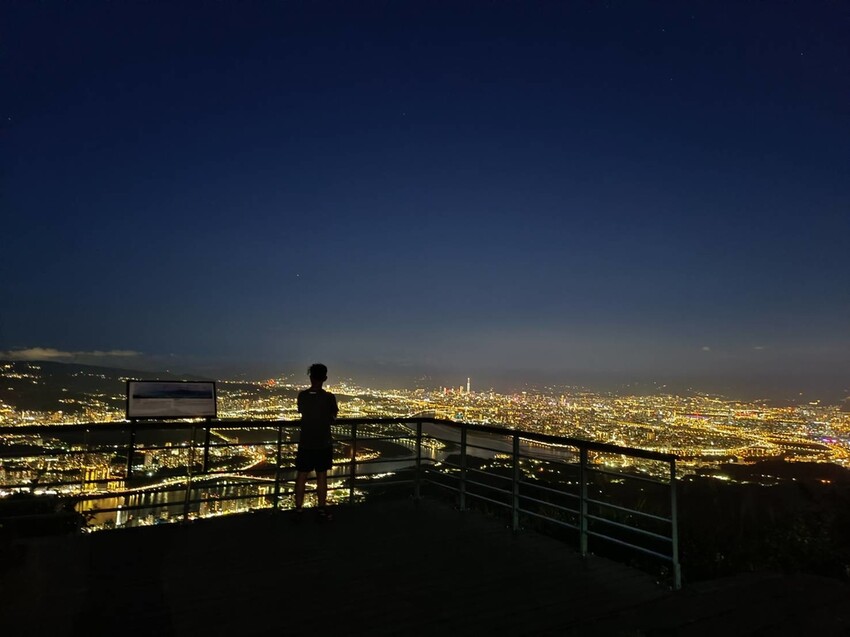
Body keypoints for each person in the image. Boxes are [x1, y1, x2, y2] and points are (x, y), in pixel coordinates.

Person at [294, 363, 338, 521]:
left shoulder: (302, 396)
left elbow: (301, 411)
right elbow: (333, 417)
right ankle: (321, 509)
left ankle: (298, 509)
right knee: (322, 477)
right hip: (323, 443)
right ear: (325, 378)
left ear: (311, 377)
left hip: (306, 442)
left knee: (301, 476)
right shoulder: (329, 397)